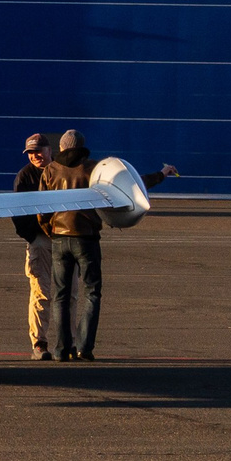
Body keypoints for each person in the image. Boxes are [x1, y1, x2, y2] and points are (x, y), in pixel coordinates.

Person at [36, 129, 178, 360]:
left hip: (60, 237)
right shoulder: (94, 168)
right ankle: (84, 348)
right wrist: (161, 174)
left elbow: (42, 206)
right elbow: (132, 185)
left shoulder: (50, 170)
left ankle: (62, 349)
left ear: (61, 147)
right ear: (81, 147)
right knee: (92, 293)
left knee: (61, 295)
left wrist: (49, 229)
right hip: (87, 237)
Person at [10, 133, 54, 360]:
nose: (35, 155)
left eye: (39, 150)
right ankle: (39, 342)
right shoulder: (25, 176)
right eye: (30, 152)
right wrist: (33, 236)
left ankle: (70, 342)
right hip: (40, 240)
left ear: (49, 150)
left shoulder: (60, 170)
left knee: (71, 293)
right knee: (40, 291)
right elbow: (18, 211)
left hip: (65, 238)